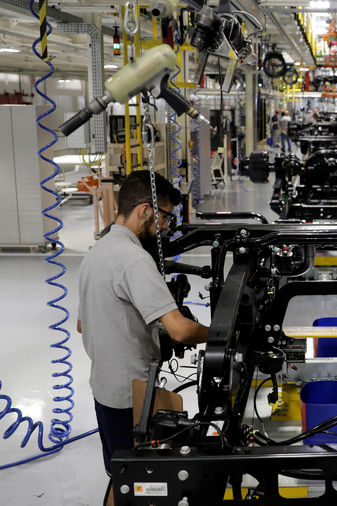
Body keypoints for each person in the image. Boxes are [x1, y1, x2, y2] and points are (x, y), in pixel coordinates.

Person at [76, 170, 209, 486]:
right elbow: (180, 330)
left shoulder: (97, 252)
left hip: (104, 389)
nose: (165, 227)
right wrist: (222, 332)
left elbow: (83, 324)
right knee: (139, 482)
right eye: (165, 216)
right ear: (145, 210)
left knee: (119, 475)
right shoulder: (134, 259)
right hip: (132, 397)